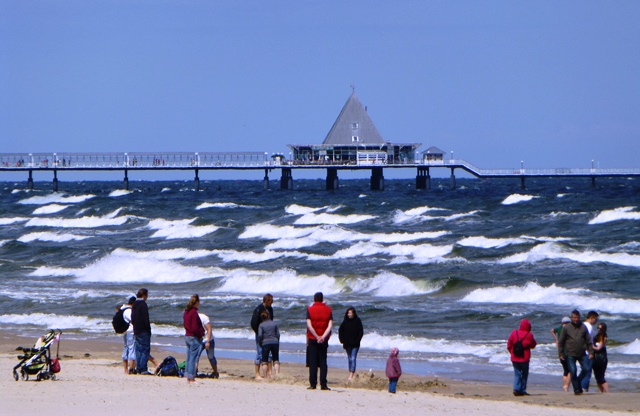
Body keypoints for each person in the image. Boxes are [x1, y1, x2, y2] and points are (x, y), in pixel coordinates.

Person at [558, 309, 594, 395]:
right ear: (571, 317)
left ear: (579, 317)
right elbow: (561, 342)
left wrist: (591, 352)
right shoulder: (567, 328)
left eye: (577, 317)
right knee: (573, 371)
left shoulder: (583, 327)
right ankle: (577, 390)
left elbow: (588, 340)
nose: (576, 319)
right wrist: (561, 353)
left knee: (586, 369)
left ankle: (577, 381)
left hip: (582, 353)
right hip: (570, 353)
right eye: (574, 317)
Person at [306, 292, 333, 390]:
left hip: (313, 338)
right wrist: (322, 337)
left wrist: (316, 336)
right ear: (322, 299)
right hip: (324, 339)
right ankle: (323, 384)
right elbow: (330, 326)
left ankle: (313, 384)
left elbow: (309, 325)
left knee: (313, 361)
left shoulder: (310, 309)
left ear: (314, 299)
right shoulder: (328, 310)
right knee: (323, 361)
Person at [507, 319, 537, 396]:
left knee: (517, 373)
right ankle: (522, 390)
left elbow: (509, 344)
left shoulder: (514, 333)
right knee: (524, 374)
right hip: (524, 358)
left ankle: (516, 388)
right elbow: (533, 345)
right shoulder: (529, 335)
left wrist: (512, 352)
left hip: (515, 357)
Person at [251, 294, 274, 380]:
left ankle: (269, 373)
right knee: (260, 353)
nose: (271, 303)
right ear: (266, 301)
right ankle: (257, 374)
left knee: (270, 353)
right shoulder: (258, 309)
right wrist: (259, 333)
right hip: (260, 334)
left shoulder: (270, 309)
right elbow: (253, 323)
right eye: (270, 301)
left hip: (269, 334)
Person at [338, 307, 364, 382]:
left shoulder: (357, 320)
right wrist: (342, 340)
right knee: (349, 358)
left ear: (353, 313)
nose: (349, 314)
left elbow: (361, 332)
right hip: (347, 344)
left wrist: (357, 340)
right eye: (348, 313)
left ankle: (351, 373)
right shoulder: (345, 321)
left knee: (353, 358)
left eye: (350, 313)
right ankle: (351, 372)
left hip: (355, 344)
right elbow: (340, 330)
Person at [183, 294, 204, 384]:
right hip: (193, 336)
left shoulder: (186, 312)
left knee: (189, 357)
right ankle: (191, 377)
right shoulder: (194, 312)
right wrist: (201, 333)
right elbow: (195, 327)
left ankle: (188, 375)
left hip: (187, 335)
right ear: (197, 302)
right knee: (193, 358)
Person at [131, 288, 153, 375]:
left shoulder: (135, 304)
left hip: (136, 329)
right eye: (147, 295)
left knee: (138, 349)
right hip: (143, 330)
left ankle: (139, 367)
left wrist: (135, 326)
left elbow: (133, 318)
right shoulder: (143, 304)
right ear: (144, 295)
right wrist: (148, 330)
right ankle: (143, 368)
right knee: (145, 349)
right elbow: (145, 319)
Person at [257, 310, 280, 378]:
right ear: (268, 316)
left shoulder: (261, 325)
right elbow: (278, 334)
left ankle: (265, 375)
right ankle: (277, 374)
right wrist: (277, 341)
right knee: (276, 359)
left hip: (265, 343)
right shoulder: (274, 324)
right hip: (275, 342)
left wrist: (260, 342)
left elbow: (260, 335)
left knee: (264, 361)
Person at [551, 316, 571, 391]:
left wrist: (556, 339)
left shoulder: (559, 328)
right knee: (571, 370)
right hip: (568, 352)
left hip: (561, 352)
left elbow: (552, 330)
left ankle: (565, 386)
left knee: (565, 371)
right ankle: (566, 386)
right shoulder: (569, 329)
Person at [581, 310, 599, 392]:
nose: (596, 322)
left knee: (584, 369)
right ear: (592, 318)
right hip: (587, 351)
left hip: (581, 350)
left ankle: (581, 386)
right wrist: (591, 351)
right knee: (587, 371)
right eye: (596, 319)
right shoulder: (588, 326)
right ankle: (583, 387)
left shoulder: (582, 324)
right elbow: (588, 340)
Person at [198, 311, 219, 378]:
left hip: (208, 339)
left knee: (211, 357)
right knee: (196, 357)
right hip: (199, 340)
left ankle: (215, 372)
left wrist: (208, 341)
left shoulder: (203, 317)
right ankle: (194, 372)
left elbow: (209, 329)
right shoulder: (192, 318)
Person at [120, 296, 137, 374]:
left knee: (126, 349)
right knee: (132, 350)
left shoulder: (123, 310)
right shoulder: (129, 311)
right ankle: (131, 369)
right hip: (131, 332)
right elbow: (134, 321)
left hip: (125, 332)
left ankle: (126, 369)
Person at [592, 322, 610, 393]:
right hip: (596, 358)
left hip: (602, 358)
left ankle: (608, 392)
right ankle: (600, 391)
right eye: (598, 328)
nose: (599, 329)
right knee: (597, 376)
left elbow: (598, 348)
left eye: (600, 328)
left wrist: (590, 345)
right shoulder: (596, 336)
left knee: (601, 377)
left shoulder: (604, 337)